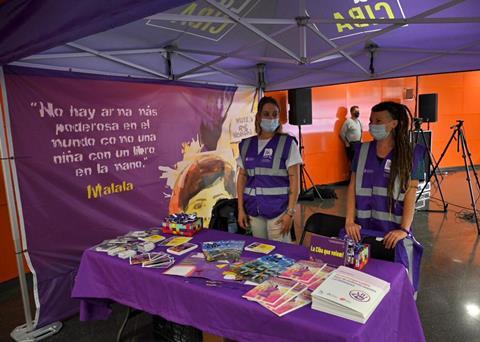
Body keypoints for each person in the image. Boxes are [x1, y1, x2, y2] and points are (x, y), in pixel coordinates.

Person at [345, 101, 425, 292]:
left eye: (379, 120)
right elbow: (351, 187)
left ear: (394, 124)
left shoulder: (411, 154)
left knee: (393, 287)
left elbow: (411, 194)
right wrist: (349, 220)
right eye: (371, 120)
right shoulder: (362, 150)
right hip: (362, 232)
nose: (373, 125)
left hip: (392, 235)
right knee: (360, 285)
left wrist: (404, 229)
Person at [237, 96, 302, 242]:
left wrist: (290, 213)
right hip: (254, 211)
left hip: (279, 212)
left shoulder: (287, 143)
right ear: (258, 117)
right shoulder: (246, 145)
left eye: (275, 114)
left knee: (280, 258)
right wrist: (240, 209)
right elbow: (242, 177)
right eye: (266, 114)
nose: (271, 118)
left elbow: (295, 180)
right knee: (260, 253)